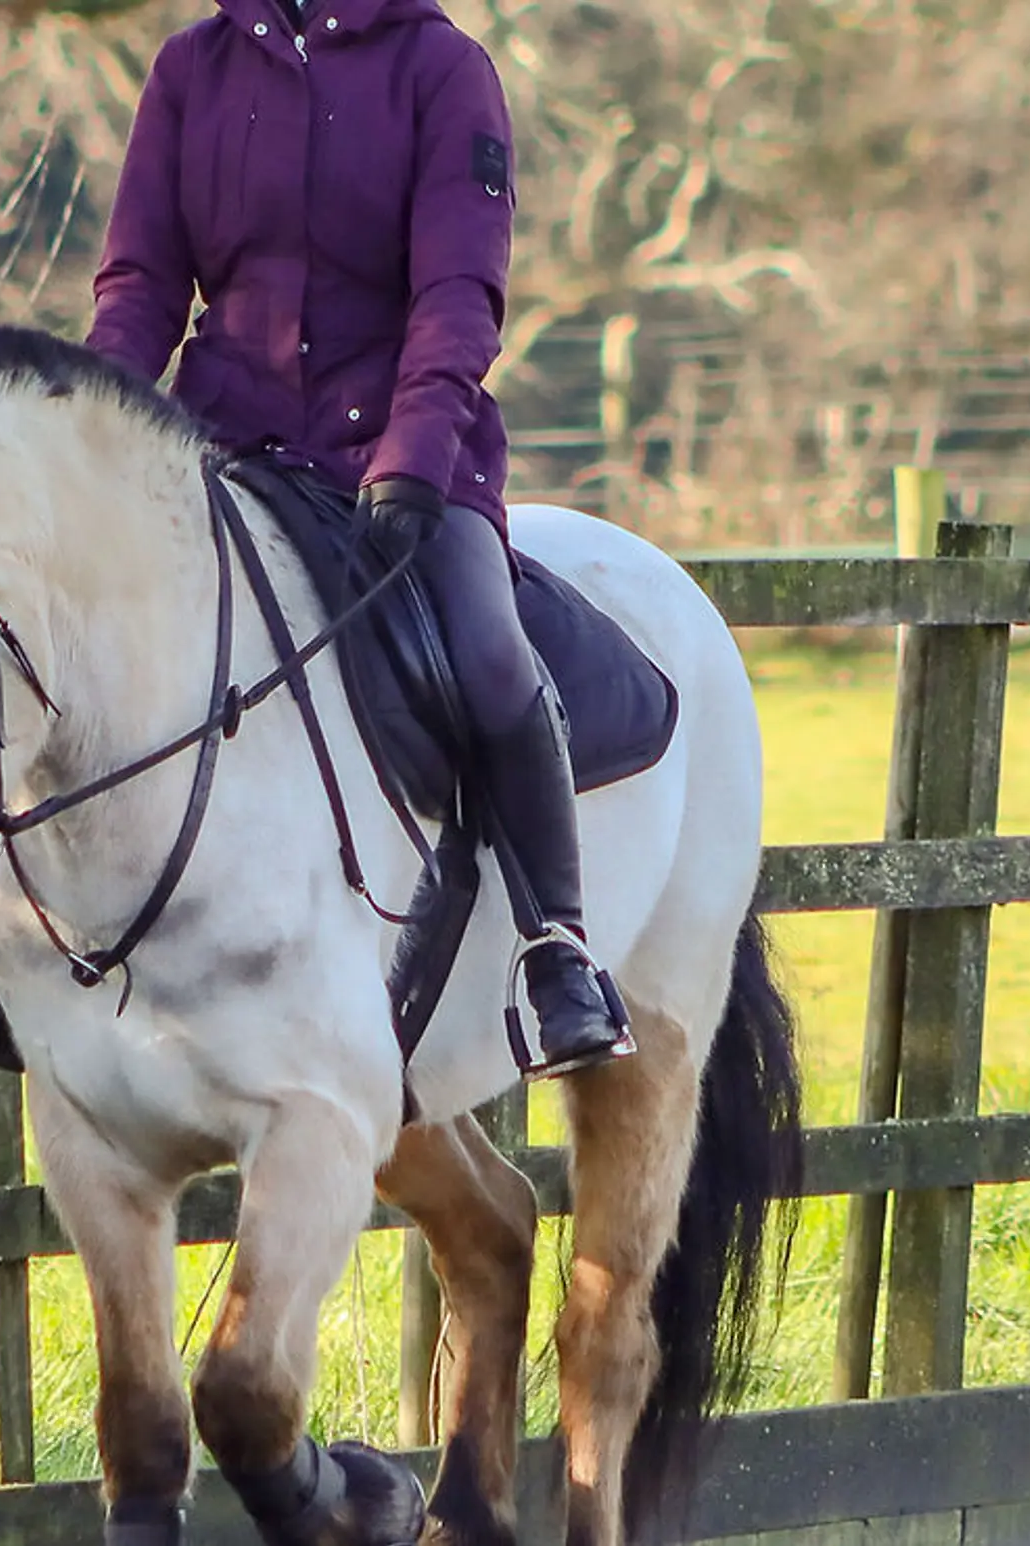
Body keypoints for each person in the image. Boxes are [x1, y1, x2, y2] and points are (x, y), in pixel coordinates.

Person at [86, 0, 631, 1079]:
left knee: (484, 657)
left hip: (402, 455)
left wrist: (410, 453)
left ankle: (553, 949)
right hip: (219, 445)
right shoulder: (190, 68)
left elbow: (458, 293)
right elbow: (142, 285)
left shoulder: (442, 68)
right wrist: (89, 428)